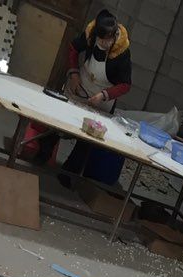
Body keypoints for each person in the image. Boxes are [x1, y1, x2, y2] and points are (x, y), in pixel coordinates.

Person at [61, 9, 132, 184]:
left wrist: (104, 95)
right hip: (82, 84)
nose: (103, 43)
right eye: (100, 39)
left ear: (114, 35)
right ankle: (42, 153)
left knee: (87, 139)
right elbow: (73, 48)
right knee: (60, 121)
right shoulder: (90, 34)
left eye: (107, 39)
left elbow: (125, 85)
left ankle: (68, 174)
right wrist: (73, 73)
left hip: (103, 96)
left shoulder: (122, 51)